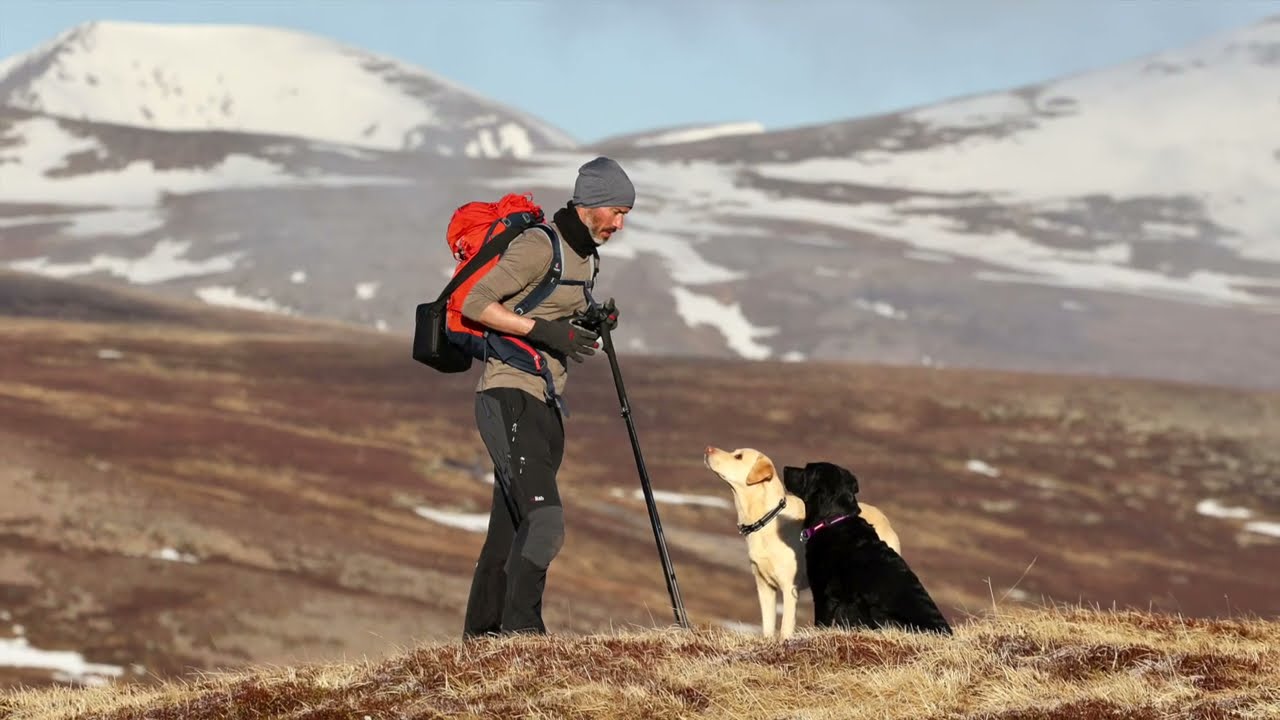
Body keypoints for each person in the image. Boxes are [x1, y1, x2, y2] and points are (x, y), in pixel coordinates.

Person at [458, 156, 633, 637]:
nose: (620, 224)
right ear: (588, 205)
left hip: (548, 400)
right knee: (546, 522)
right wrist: (548, 333)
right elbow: (475, 303)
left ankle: (480, 642)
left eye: (625, 216)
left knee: (508, 530)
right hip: (508, 394)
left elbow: (556, 313)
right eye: (616, 213)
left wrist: (590, 323)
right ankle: (524, 636)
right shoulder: (540, 246)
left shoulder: (586, 257)